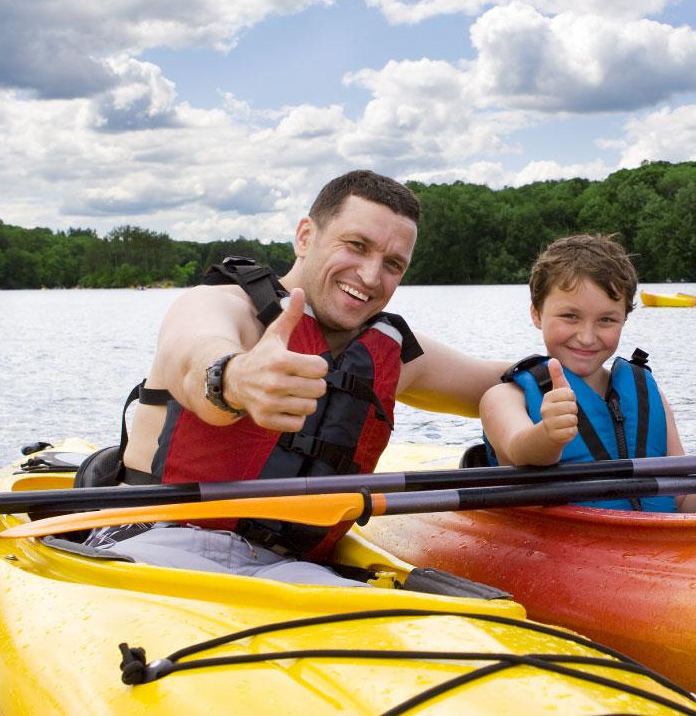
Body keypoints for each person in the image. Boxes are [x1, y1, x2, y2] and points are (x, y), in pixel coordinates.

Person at [79, 170, 507, 585]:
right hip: (158, 541)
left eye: (393, 264)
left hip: (291, 568)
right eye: (356, 246)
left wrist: (569, 341)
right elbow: (193, 358)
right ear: (306, 236)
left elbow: (501, 383)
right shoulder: (223, 305)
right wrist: (235, 379)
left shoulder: (397, 353)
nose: (372, 276)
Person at [478, 234, 696, 513]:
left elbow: (683, 499)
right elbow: (518, 450)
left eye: (606, 320)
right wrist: (548, 435)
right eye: (570, 316)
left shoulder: (648, 394)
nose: (587, 337)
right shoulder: (503, 399)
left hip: (653, 544)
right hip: (558, 547)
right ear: (537, 314)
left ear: (624, 320)